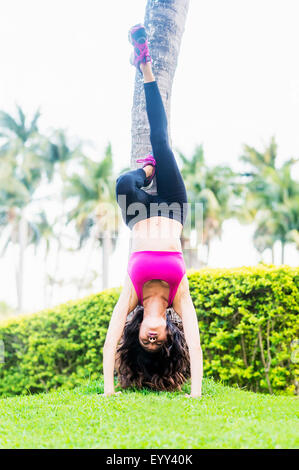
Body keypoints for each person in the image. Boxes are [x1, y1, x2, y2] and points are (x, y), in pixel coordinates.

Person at [103, 24, 203, 398]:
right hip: (174, 211)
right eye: (157, 343)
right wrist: (194, 395)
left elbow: (112, 340)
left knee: (123, 185)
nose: (150, 338)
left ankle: (146, 170)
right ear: (166, 334)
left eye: (144, 342)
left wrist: (110, 391)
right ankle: (144, 63)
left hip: (140, 215)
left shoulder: (130, 295)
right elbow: (195, 347)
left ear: (139, 329)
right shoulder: (180, 295)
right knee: (162, 141)